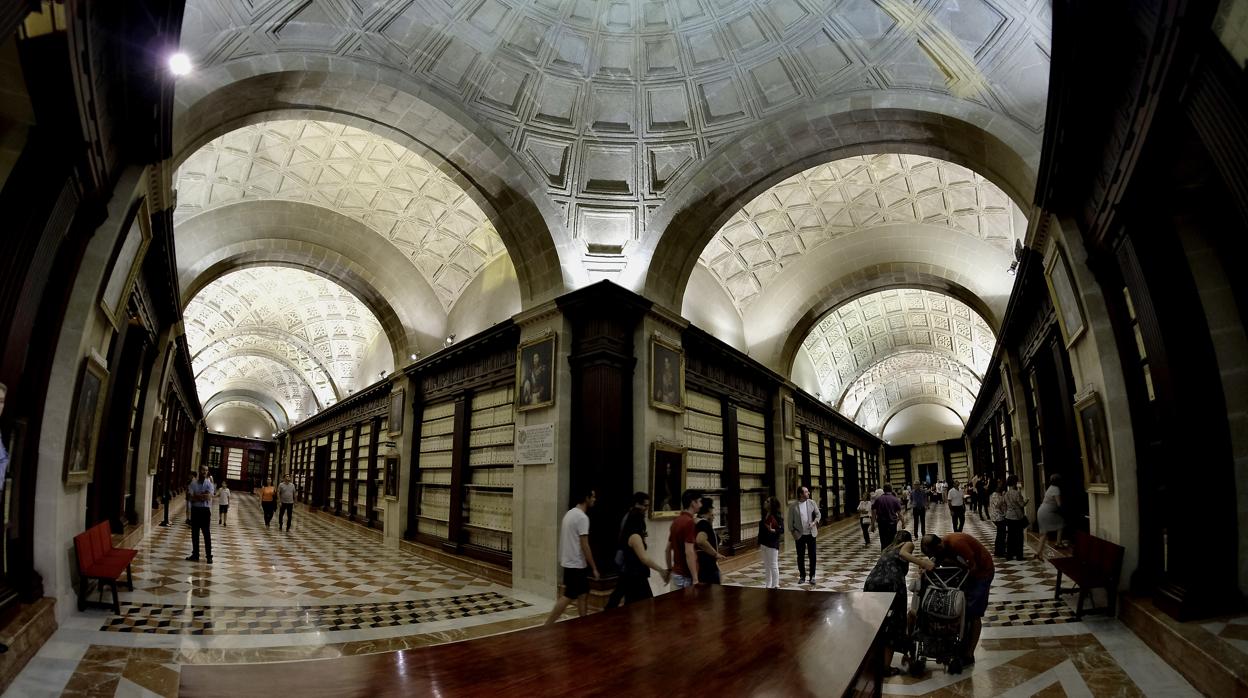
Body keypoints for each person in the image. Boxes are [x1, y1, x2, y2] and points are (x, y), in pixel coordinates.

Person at [864, 531, 932, 676]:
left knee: (877, 622)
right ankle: (886, 668)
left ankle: (872, 662)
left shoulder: (887, 549)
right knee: (893, 624)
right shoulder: (907, 544)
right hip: (892, 584)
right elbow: (903, 554)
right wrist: (924, 563)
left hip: (871, 583)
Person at [921, 533, 994, 666]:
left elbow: (972, 567)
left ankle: (969, 654)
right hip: (968, 573)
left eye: (934, 553)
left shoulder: (958, 544)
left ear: (939, 545)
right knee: (960, 608)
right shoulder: (941, 548)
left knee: (973, 613)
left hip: (982, 573)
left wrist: (951, 564)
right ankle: (959, 646)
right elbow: (937, 561)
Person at [544, 488, 601, 625]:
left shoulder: (569, 514)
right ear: (586, 498)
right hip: (576, 563)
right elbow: (585, 545)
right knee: (568, 596)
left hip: (569, 562)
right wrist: (594, 567)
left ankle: (583, 623)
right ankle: (547, 625)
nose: (594, 499)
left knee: (583, 594)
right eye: (592, 496)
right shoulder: (582, 518)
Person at [606, 492, 656, 609]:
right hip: (633, 570)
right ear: (637, 504)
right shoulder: (633, 524)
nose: (646, 509)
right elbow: (642, 556)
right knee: (644, 605)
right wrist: (660, 570)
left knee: (619, 598)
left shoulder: (630, 518)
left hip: (630, 570)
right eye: (645, 505)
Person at [612, 507, 670, 606]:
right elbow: (644, 558)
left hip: (634, 575)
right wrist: (660, 570)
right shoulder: (635, 537)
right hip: (636, 577)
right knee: (643, 606)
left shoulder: (632, 535)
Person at [666, 490, 702, 589]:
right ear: (692, 503)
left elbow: (667, 549)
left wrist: (669, 569)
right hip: (685, 577)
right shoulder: (689, 522)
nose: (700, 504)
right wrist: (695, 579)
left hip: (676, 574)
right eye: (699, 501)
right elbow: (689, 552)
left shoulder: (676, 521)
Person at [786, 486, 820, 585]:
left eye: (808, 492)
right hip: (800, 535)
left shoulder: (811, 502)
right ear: (801, 494)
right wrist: (794, 534)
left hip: (811, 534)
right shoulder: (793, 506)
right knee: (800, 556)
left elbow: (818, 515)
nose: (808, 493)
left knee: (812, 555)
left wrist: (814, 523)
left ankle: (812, 576)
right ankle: (802, 576)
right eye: (806, 492)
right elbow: (789, 523)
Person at [185, 466, 215, 563]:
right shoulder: (193, 483)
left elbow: (208, 497)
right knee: (195, 533)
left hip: (205, 511)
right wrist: (202, 495)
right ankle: (195, 555)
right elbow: (189, 497)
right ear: (199, 471)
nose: (204, 472)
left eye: (206, 470)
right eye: (203, 470)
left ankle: (209, 556)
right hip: (195, 510)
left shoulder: (210, 484)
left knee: (206, 533)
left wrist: (197, 496)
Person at [694, 498, 727, 584]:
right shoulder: (703, 523)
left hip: (702, 566)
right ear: (709, 509)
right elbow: (700, 540)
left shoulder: (697, 522)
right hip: (707, 567)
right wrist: (715, 554)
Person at [1035, 474, 1065, 561]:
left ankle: (1038, 553)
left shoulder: (1050, 487)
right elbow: (1059, 504)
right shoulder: (1056, 489)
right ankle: (1058, 543)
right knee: (1061, 523)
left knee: (1043, 534)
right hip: (1047, 512)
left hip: (1041, 511)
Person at [757, 497, 784, 589]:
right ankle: (768, 584)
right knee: (766, 565)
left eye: (767, 501)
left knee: (773, 564)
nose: (765, 502)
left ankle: (775, 585)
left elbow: (781, 529)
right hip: (764, 542)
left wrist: (774, 530)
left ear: (772, 505)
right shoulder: (765, 514)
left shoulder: (777, 516)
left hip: (772, 543)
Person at [1003, 474, 1029, 561]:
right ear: (1014, 483)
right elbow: (1022, 504)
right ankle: (1019, 556)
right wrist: (1027, 501)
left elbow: (1005, 505)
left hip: (1008, 516)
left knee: (1010, 536)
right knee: (1019, 537)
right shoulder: (1017, 493)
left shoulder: (1006, 494)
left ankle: (1009, 555)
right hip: (1017, 517)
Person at [871, 484, 904, 550]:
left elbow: (874, 513)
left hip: (882, 523)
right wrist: (903, 522)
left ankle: (884, 556)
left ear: (884, 490)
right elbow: (899, 513)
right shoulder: (895, 499)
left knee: (883, 541)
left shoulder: (879, 499)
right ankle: (890, 556)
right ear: (891, 490)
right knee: (892, 541)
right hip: (892, 523)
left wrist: (872, 524)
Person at [989, 479, 1008, 557]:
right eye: (999, 482)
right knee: (1001, 534)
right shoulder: (995, 494)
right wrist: (1003, 496)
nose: (1001, 483)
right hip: (998, 516)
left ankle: (1001, 550)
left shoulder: (997, 494)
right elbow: (998, 505)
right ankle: (999, 551)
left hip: (999, 516)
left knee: (1001, 534)